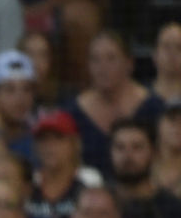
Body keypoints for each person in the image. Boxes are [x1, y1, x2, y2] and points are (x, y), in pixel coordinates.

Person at [68, 30, 164, 176]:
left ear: (129, 63)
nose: (102, 67)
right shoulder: (72, 113)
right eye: (95, 59)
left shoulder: (155, 108)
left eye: (111, 58)